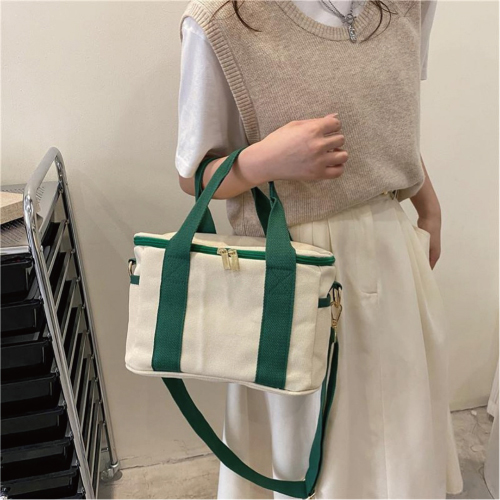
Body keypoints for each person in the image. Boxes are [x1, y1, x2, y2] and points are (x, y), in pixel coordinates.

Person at [174, 1, 464, 498]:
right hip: (294, 266)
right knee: (310, 443)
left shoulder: (409, 4)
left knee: (401, 430)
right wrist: (265, 161)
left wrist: (427, 205)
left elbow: (383, 120)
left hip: (391, 248)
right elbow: (194, 174)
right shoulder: (223, 20)